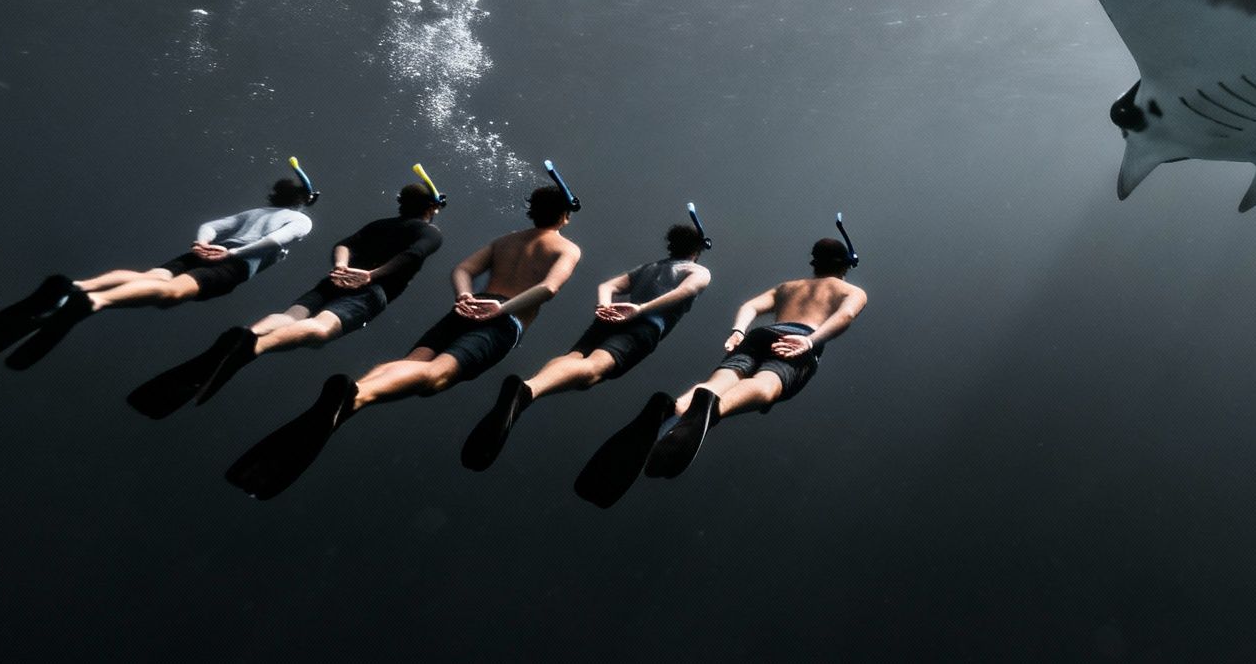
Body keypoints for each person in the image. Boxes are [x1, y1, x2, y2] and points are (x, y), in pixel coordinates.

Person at [224, 182, 581, 500]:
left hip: (465, 310)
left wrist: (464, 297)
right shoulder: (567, 248)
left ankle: (359, 391)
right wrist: (499, 312)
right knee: (435, 377)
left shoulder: (504, 241)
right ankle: (356, 395)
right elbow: (548, 288)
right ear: (564, 214)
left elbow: (462, 269)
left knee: (412, 363)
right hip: (502, 320)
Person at [579, 236, 867, 504]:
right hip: (798, 339)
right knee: (767, 387)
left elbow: (750, 305)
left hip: (760, 335)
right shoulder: (851, 290)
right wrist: (809, 340)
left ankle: (675, 408)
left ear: (815, 262)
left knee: (717, 381)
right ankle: (714, 408)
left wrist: (739, 331)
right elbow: (846, 315)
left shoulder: (789, 287)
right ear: (844, 265)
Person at [126, 182, 446, 419]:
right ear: (431, 207)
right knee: (320, 331)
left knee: (291, 316)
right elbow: (412, 255)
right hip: (370, 290)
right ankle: (254, 347)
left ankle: (249, 335)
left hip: (334, 281)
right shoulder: (432, 233)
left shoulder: (380, 224)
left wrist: (341, 267)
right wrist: (370, 277)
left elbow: (344, 243)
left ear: (401, 203)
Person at [0, 176, 317, 370]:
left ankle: (76, 286)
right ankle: (93, 300)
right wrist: (231, 252)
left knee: (154, 276)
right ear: (304, 199)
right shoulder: (301, 219)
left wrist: (200, 244)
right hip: (233, 262)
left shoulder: (254, 210)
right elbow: (275, 239)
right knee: (172, 294)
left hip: (205, 252)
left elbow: (212, 225)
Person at [461, 220, 712, 471]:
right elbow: (687, 290)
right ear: (698, 249)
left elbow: (608, 285)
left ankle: (529, 387)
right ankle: (525, 392)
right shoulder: (698, 271)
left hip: (612, 319)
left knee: (576, 361)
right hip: (642, 326)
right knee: (595, 368)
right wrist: (640, 309)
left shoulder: (651, 267)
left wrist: (605, 306)